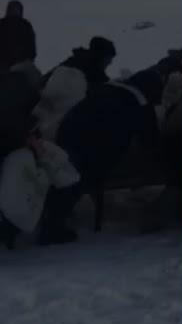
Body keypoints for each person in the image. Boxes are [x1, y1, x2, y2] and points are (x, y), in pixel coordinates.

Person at [54, 68, 164, 236]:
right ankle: (54, 226)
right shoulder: (141, 104)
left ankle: (55, 217)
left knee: (71, 175)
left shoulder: (105, 90)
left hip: (65, 137)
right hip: (94, 150)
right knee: (83, 174)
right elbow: (150, 141)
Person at [35, 37, 117, 140]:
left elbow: (43, 82)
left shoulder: (74, 62)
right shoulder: (90, 75)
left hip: (43, 122)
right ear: (100, 56)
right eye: (108, 59)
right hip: (60, 128)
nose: (109, 63)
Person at [0, 0, 37, 73]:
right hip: (8, 65)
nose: (15, 12)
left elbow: (31, 48)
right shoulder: (25, 25)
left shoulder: (25, 25)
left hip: (20, 64)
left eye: (16, 9)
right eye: (14, 9)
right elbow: (32, 49)